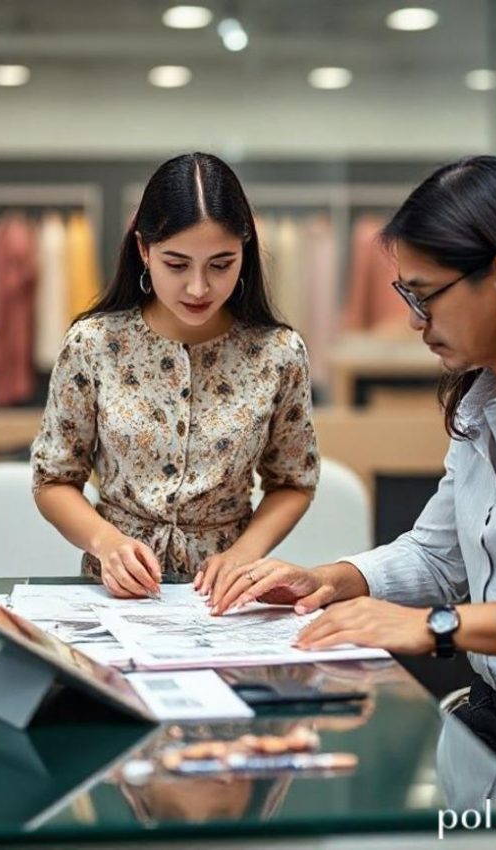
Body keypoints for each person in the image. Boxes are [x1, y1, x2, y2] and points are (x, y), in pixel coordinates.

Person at [201, 155, 496, 849]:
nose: (415, 320)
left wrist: (437, 626)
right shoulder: (493, 388)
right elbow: (438, 553)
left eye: (424, 295)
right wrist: (333, 580)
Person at [31, 152, 319, 599]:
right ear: (144, 250)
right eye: (177, 264)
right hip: (117, 593)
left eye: (221, 264)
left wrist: (246, 552)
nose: (199, 288)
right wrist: (105, 542)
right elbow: (53, 479)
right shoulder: (93, 343)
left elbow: (294, 482)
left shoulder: (278, 353)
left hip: (224, 597)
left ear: (245, 250)